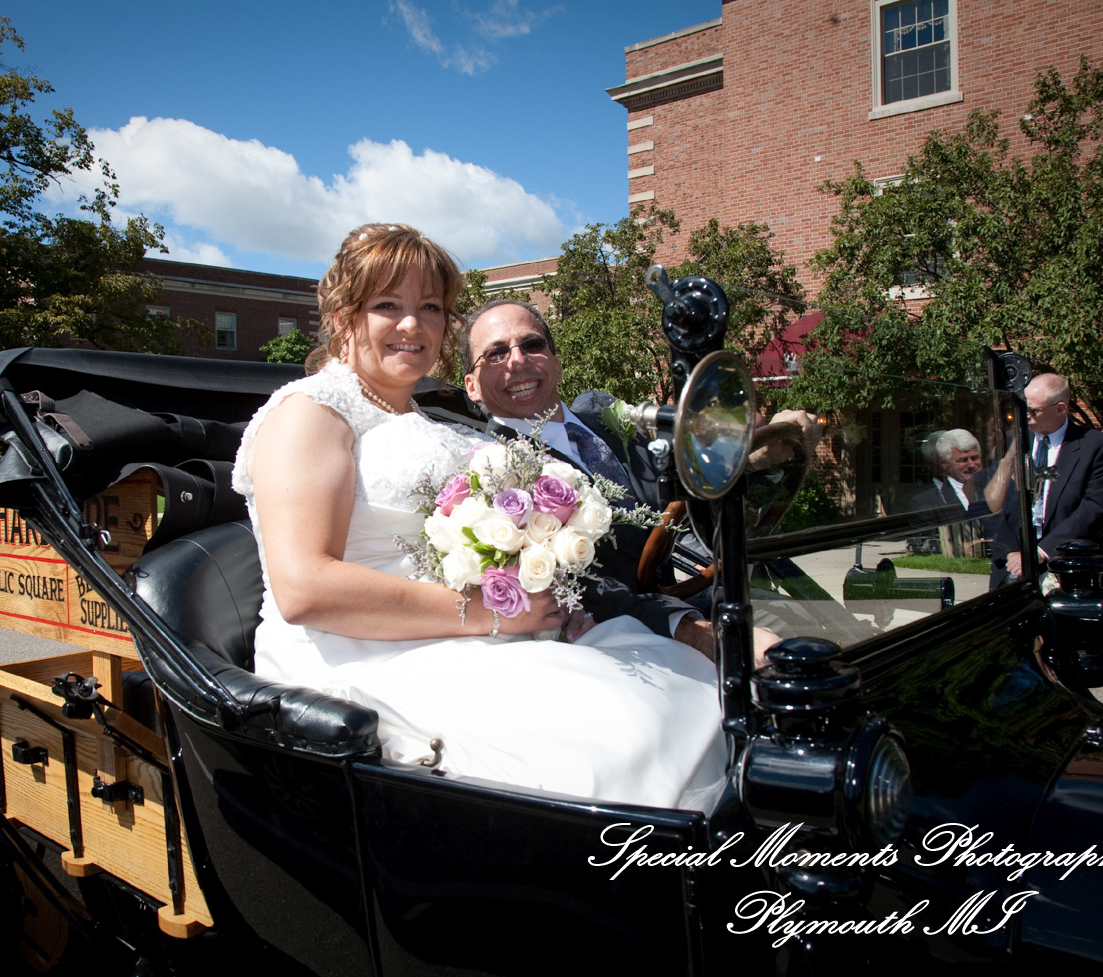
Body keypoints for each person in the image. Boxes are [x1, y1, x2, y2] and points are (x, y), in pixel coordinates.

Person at [232, 224, 727, 809]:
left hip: (446, 629)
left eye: (431, 307)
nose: (413, 325)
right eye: (388, 305)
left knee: (688, 685)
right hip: (355, 649)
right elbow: (304, 588)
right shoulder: (310, 412)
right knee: (632, 732)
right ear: (344, 316)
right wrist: (493, 614)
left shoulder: (418, 418)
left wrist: (533, 591)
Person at [459, 299, 792, 661]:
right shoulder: (494, 475)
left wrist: (758, 460)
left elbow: (683, 483)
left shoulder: (602, 414)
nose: (518, 360)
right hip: (633, 634)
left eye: (532, 344)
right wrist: (699, 634)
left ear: (556, 361)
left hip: (714, 588)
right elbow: (582, 592)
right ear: (472, 385)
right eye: (495, 354)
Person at [980, 373, 1103, 588]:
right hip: (1011, 563)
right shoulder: (1009, 440)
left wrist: (1041, 552)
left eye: (1033, 411)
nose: (1025, 415)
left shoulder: (1095, 446)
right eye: (1023, 406)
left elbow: (1095, 507)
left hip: (1064, 564)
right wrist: (1011, 551)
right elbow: (990, 499)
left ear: (1061, 408)